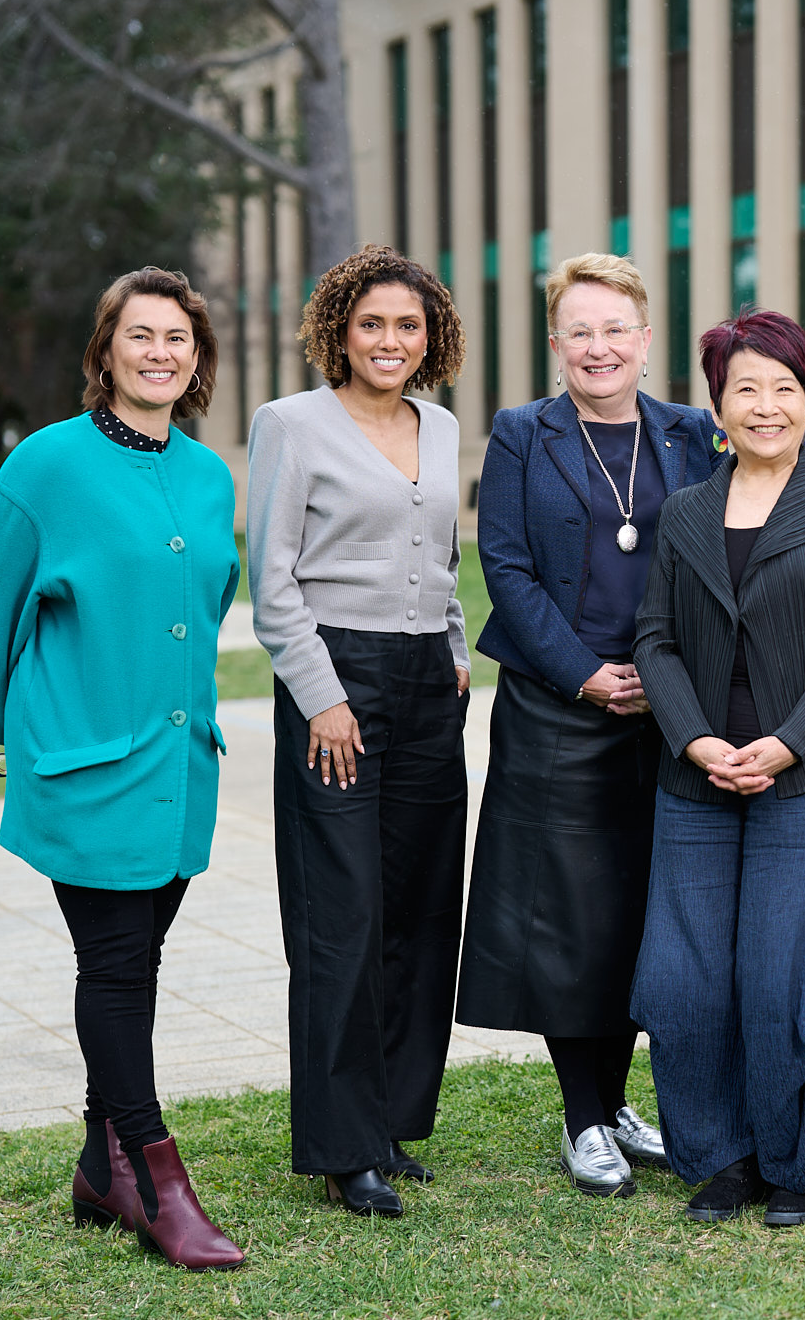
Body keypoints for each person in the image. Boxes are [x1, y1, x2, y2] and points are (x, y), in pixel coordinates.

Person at [0, 266, 244, 1271]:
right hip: (84, 762)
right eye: (141, 336)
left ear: (197, 359)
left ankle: (98, 1166)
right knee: (116, 966)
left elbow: (210, 600)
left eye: (178, 338)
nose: (160, 352)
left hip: (178, 762)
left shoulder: (210, 474)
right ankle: (158, 1180)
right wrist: (9, 728)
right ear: (106, 351)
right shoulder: (46, 466)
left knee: (138, 964)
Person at [629, 309, 805, 1228]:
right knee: (687, 975)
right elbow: (655, 638)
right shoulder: (686, 511)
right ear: (718, 404)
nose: (767, 404)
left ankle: (797, 1158)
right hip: (695, 779)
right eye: (746, 387)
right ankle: (724, 1153)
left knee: (793, 974)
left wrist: (784, 742)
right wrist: (697, 740)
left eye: (785, 386)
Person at [456, 253, 720, 1198]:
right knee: (570, 918)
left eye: (617, 329)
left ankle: (618, 1103)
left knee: (646, 912)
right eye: (581, 331)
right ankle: (582, 1116)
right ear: (557, 343)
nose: (599, 347)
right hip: (558, 709)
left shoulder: (695, 435)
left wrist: (661, 676)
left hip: (666, 709)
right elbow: (507, 566)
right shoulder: (523, 433)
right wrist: (585, 674)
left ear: (646, 341)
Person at [247, 245, 472, 1218]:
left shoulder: (444, 424)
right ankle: (343, 1149)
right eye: (372, 322)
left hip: (429, 682)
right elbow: (272, 579)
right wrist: (321, 694)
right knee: (341, 917)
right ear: (339, 329)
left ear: (432, 338)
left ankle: (388, 1122)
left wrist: (457, 650)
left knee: (421, 910)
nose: (390, 340)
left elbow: (444, 558)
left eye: (407, 325)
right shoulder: (291, 424)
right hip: (333, 681)